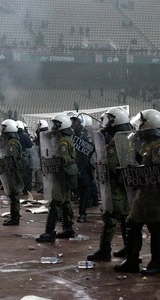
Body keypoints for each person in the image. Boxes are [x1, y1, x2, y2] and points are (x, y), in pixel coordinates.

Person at [114, 109, 160, 275]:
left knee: (155, 229)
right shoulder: (147, 145)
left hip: (155, 194)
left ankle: (157, 263)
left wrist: (139, 171)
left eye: (141, 122)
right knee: (132, 225)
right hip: (143, 193)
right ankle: (132, 261)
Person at [87, 107, 133, 261]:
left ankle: (104, 250)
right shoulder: (129, 138)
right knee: (125, 218)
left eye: (109, 119)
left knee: (110, 217)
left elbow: (110, 164)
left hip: (116, 186)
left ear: (115, 121)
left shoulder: (116, 142)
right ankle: (129, 248)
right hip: (126, 186)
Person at [36, 114, 78, 243]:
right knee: (65, 201)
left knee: (56, 201)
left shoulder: (63, 141)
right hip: (67, 174)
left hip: (62, 174)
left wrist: (54, 161)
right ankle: (68, 228)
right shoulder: (66, 138)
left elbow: (63, 159)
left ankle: (50, 232)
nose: (54, 126)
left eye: (56, 124)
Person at [70, 113, 97, 223]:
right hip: (76, 166)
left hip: (83, 167)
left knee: (84, 190)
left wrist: (86, 168)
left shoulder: (85, 135)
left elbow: (89, 153)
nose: (73, 123)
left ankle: (82, 213)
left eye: (75, 121)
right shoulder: (74, 134)